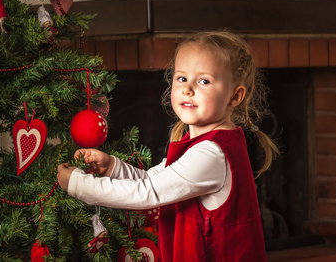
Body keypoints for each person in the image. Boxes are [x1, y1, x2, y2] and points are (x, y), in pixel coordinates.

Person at [57, 30, 279, 262]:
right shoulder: (201, 145)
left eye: (204, 81)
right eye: (182, 78)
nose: (188, 89)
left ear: (235, 97)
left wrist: (78, 184)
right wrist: (112, 167)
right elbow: (150, 181)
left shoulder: (212, 154)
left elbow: (147, 193)